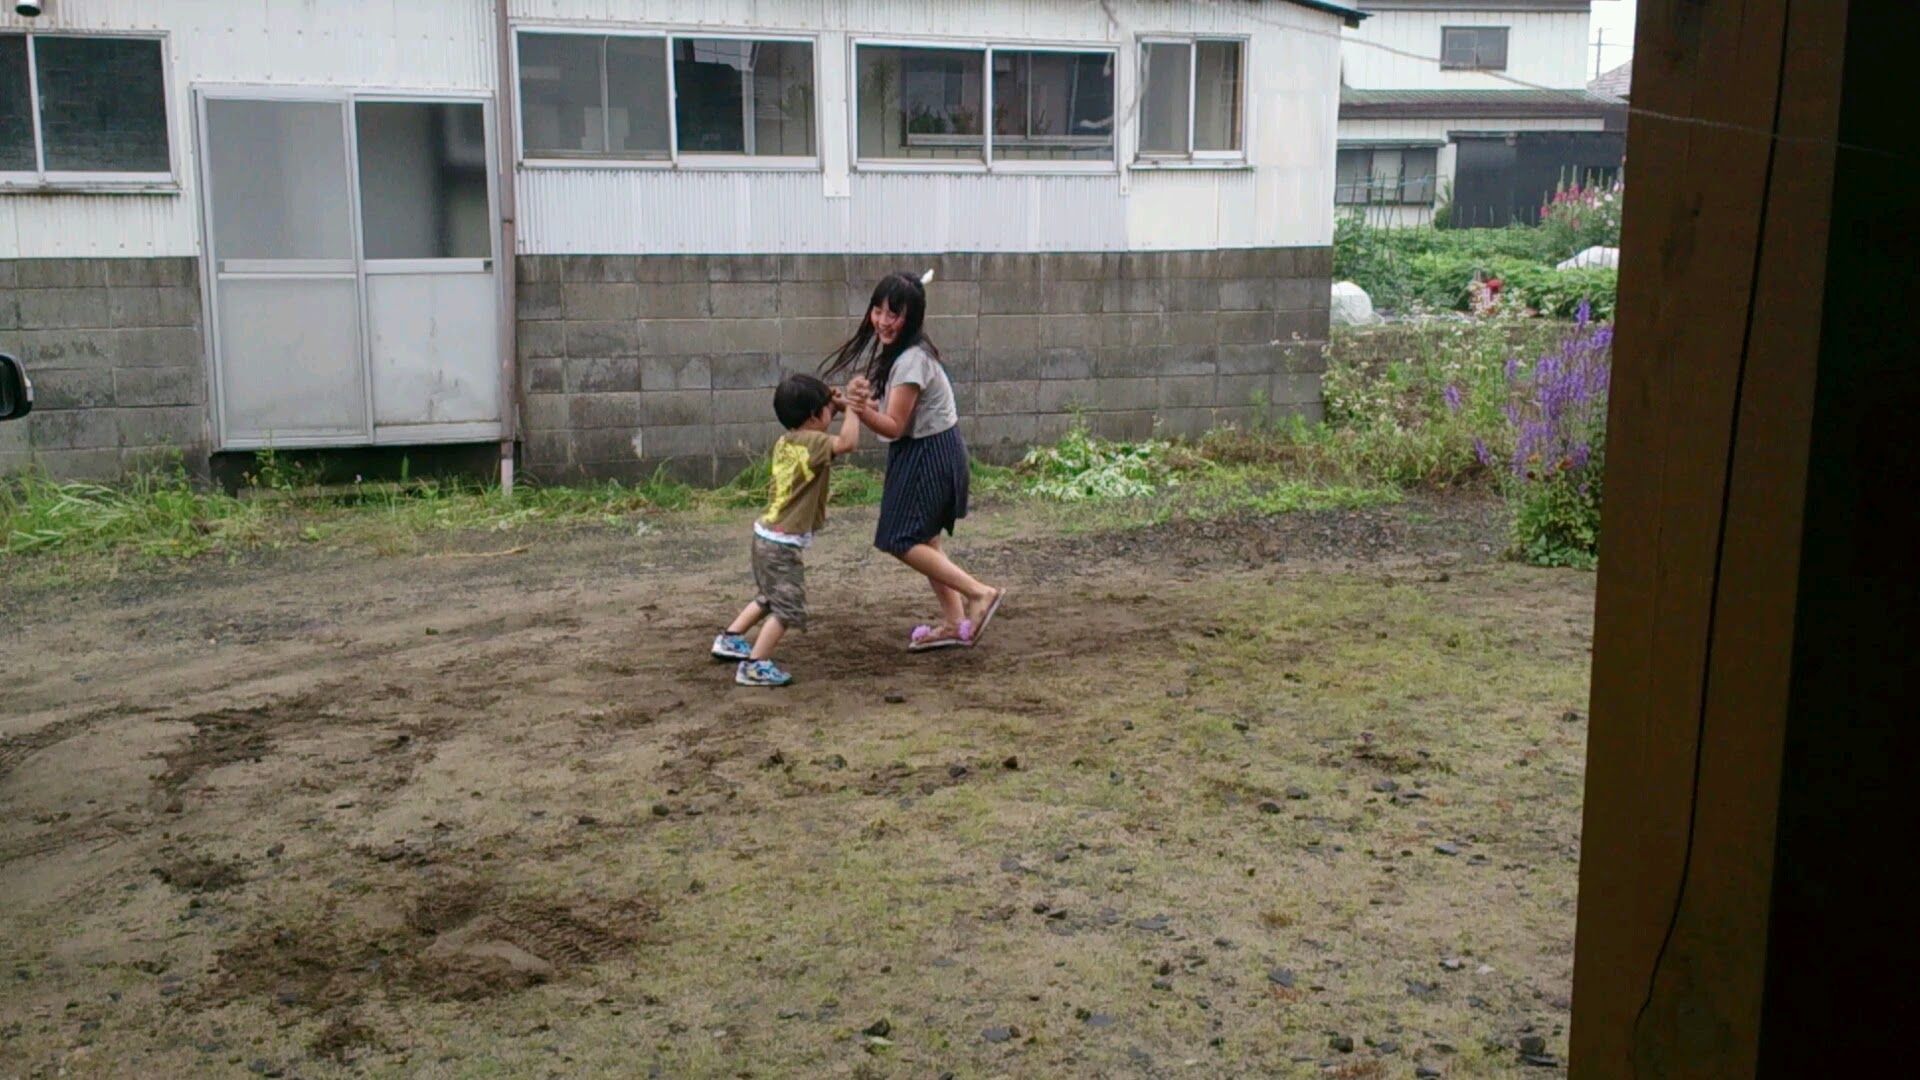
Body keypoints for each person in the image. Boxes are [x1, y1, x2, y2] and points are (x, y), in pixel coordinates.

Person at [823, 271, 1005, 650]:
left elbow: (892, 425)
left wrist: (858, 408)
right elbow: (889, 417)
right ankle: (956, 622)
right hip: (926, 450)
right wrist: (849, 405)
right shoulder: (906, 355)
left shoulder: (910, 362)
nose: (883, 322)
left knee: (900, 538)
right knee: (924, 540)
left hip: (929, 454)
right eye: (878, 311)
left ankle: (979, 593)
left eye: (894, 314)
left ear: (912, 317)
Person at [710, 373, 865, 687]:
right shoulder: (816, 443)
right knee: (787, 607)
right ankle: (755, 664)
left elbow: (819, 431)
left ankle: (730, 638)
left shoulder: (788, 440)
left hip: (765, 536)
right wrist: (853, 408)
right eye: (826, 410)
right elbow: (847, 442)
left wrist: (832, 406)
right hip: (782, 545)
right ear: (813, 416)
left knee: (768, 596)